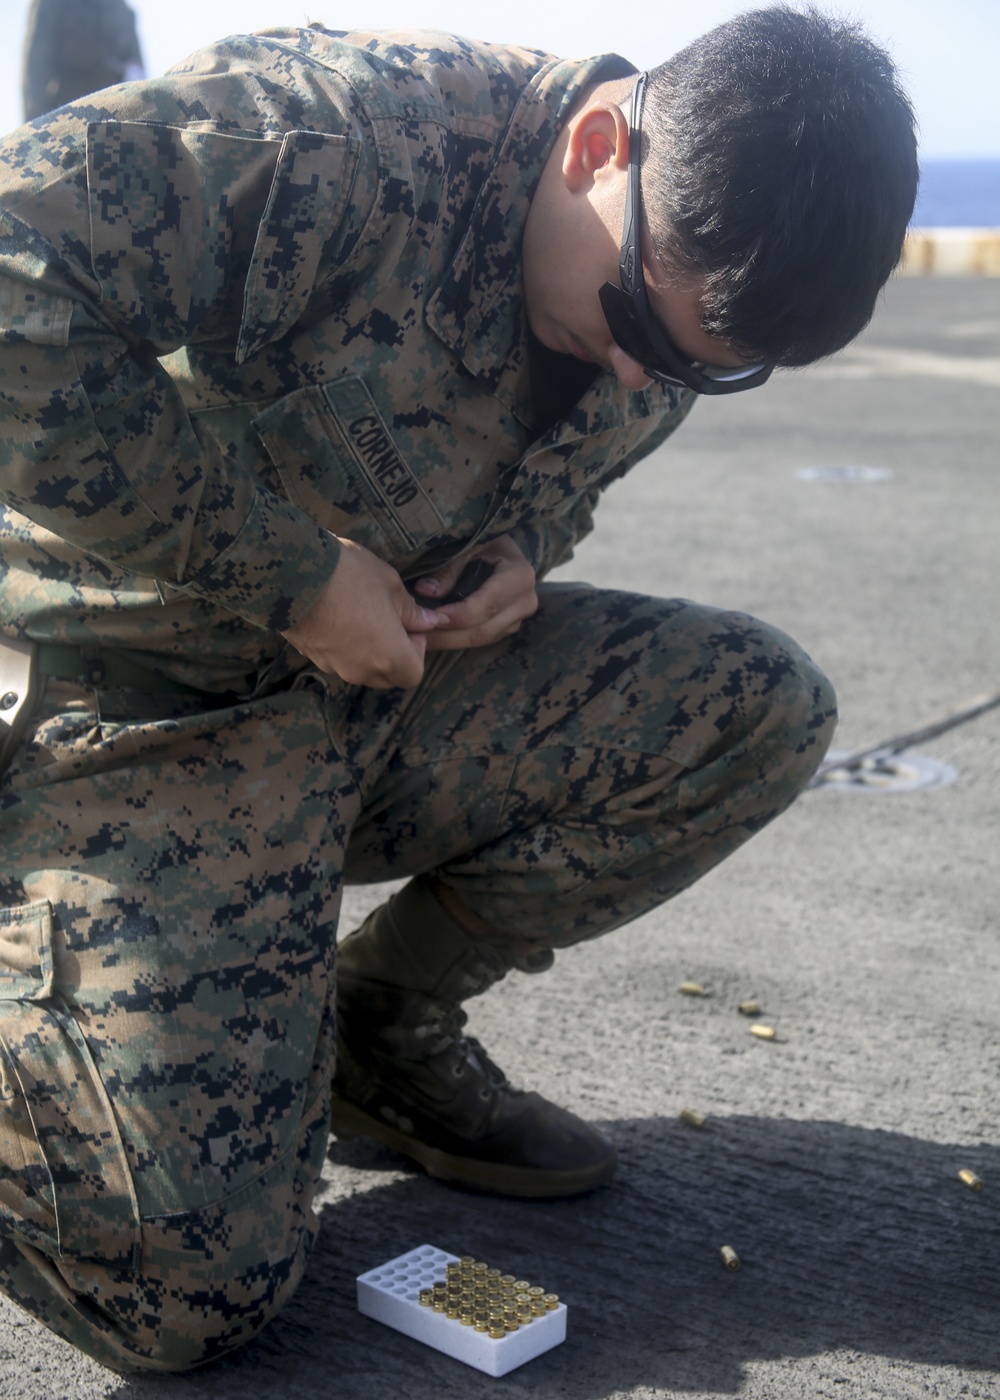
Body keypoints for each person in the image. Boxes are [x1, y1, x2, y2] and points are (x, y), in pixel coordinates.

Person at [0, 6, 916, 1373]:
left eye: (694, 373)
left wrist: (525, 558)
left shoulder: (661, 271)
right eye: (632, 328)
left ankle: (376, 1034)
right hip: (135, 711)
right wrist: (294, 576)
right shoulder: (327, 135)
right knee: (181, 1290)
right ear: (604, 142)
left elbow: (563, 453)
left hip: (375, 694)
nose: (637, 378)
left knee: (750, 708)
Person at [21, 0, 146, 121]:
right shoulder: (51, 4)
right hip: (68, 115)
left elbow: (137, 68)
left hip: (116, 111)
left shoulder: (118, 6)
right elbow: (36, 70)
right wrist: (36, 128)